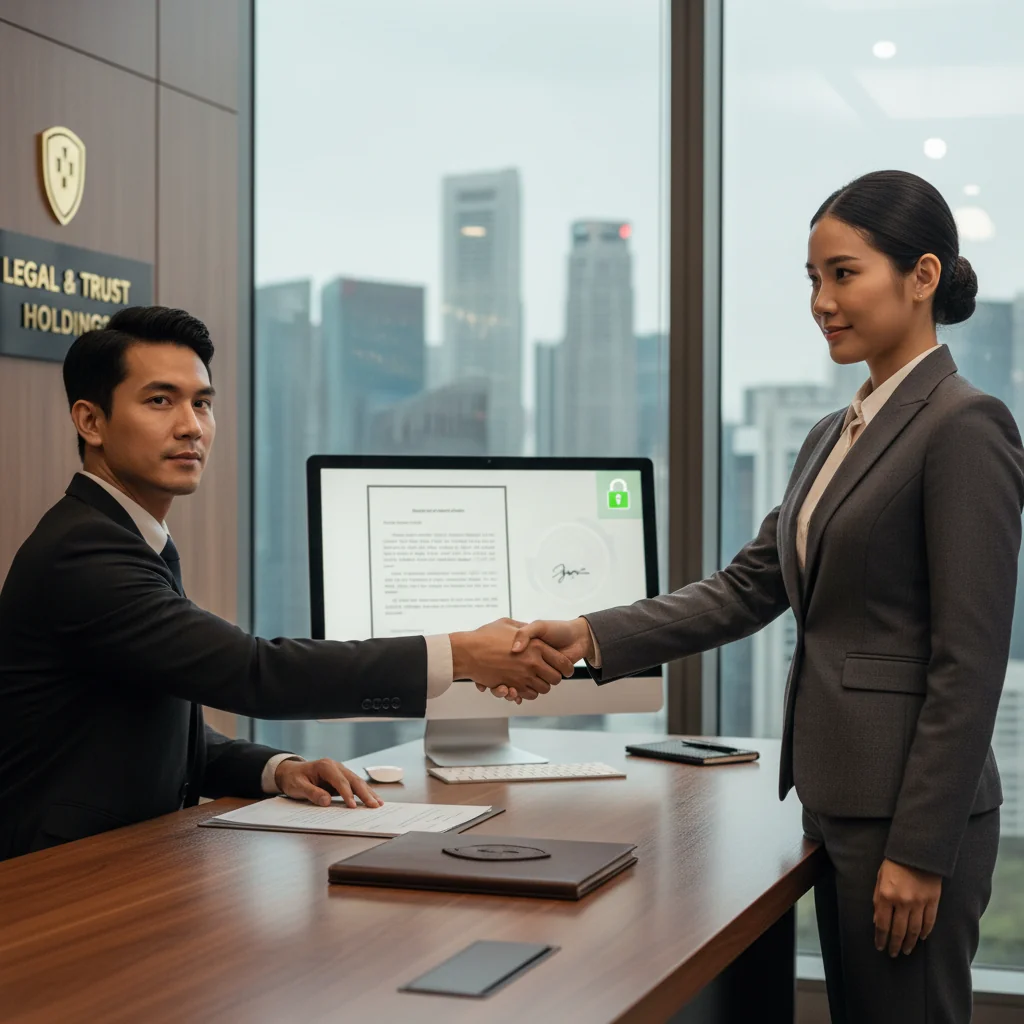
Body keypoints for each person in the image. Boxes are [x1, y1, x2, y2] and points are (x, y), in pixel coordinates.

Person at [509, 170, 1024, 1024]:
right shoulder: (833, 434)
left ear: (922, 276)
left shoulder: (965, 425)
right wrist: (589, 636)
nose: (822, 301)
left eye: (844, 274)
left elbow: (968, 662)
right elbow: (747, 588)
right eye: (813, 279)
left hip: (909, 818)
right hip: (837, 803)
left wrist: (921, 852)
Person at [0, 306, 572, 860]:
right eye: (159, 402)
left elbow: (149, 729)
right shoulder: (84, 552)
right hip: (54, 881)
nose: (191, 426)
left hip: (129, 861)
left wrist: (278, 770)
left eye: (202, 403)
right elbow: (255, 672)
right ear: (90, 421)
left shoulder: (124, 535)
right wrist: (463, 652)